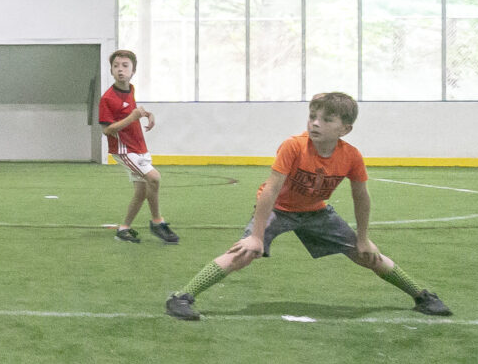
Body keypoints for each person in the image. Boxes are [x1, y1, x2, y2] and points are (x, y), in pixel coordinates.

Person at [166, 91, 452, 321]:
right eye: (313, 117)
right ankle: (181, 297)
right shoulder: (293, 146)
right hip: (278, 210)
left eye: (327, 120)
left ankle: (422, 296)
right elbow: (271, 189)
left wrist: (363, 239)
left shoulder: (351, 156)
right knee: (244, 252)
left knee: (366, 255)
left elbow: (361, 197)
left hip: (316, 212)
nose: (315, 123)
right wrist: (256, 236)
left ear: (346, 129)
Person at [98, 49, 177, 244]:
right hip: (124, 150)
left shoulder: (130, 89)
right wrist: (132, 117)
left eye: (125, 66)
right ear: (111, 71)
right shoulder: (107, 98)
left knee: (142, 191)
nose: (120, 70)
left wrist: (146, 113)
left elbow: (129, 112)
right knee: (154, 178)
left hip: (139, 146)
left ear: (133, 71)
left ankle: (123, 229)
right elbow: (107, 130)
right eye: (116, 66)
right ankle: (158, 222)